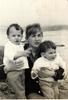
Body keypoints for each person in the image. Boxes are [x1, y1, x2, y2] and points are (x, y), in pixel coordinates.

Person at [3, 24, 29, 99]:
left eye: (19, 35)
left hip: (21, 71)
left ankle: (21, 96)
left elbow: (23, 43)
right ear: (8, 37)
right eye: (13, 36)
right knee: (19, 90)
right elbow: (11, 56)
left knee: (21, 86)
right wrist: (23, 53)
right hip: (13, 72)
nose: (16, 38)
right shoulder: (8, 45)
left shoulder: (19, 44)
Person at [24, 23, 45, 99]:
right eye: (33, 36)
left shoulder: (45, 51)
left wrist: (56, 73)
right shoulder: (21, 52)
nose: (37, 39)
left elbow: (59, 68)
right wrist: (9, 67)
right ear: (26, 38)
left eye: (39, 35)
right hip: (30, 91)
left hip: (46, 88)